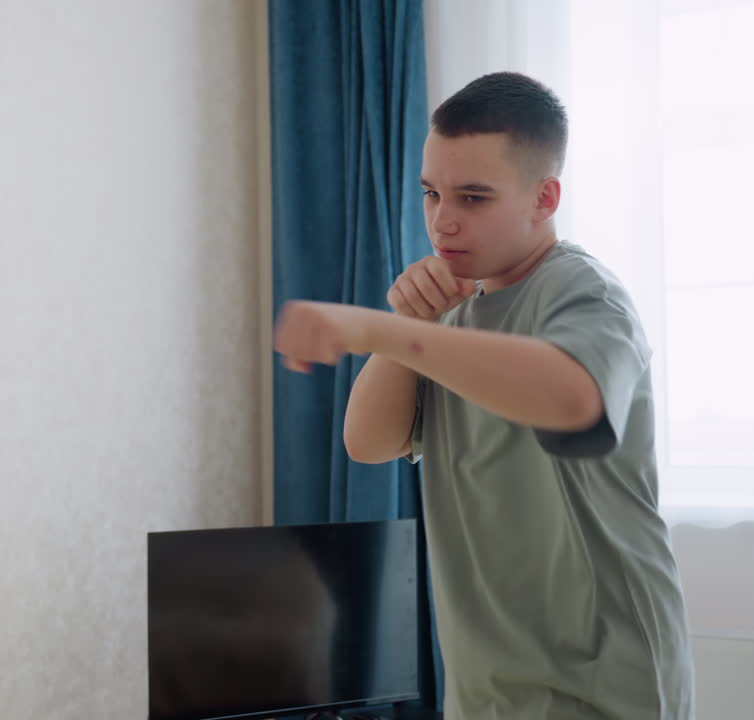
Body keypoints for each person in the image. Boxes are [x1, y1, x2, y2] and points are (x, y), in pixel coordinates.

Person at [273, 72, 695, 719]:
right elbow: (367, 442)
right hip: (484, 692)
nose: (443, 221)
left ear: (544, 198)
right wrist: (406, 328)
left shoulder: (583, 293)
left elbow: (571, 397)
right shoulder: (448, 318)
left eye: (473, 197)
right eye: (431, 194)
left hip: (605, 691)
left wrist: (374, 328)